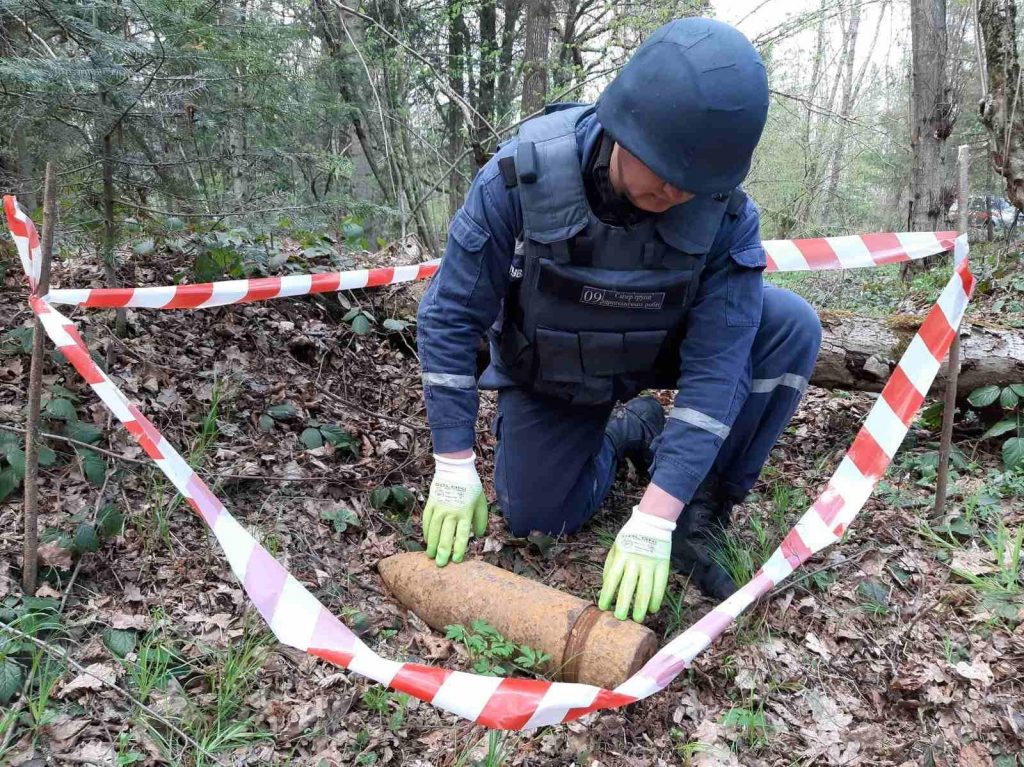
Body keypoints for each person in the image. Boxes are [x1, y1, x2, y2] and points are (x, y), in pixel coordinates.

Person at [415, 17, 822, 623]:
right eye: (668, 172)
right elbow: (450, 317)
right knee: (535, 517)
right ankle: (627, 429)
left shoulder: (726, 213)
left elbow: (717, 367)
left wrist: (656, 517)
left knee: (788, 323)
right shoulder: (515, 178)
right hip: (554, 367)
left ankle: (702, 505)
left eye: (697, 182)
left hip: (661, 344)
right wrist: (452, 461)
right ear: (622, 126)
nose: (681, 193)